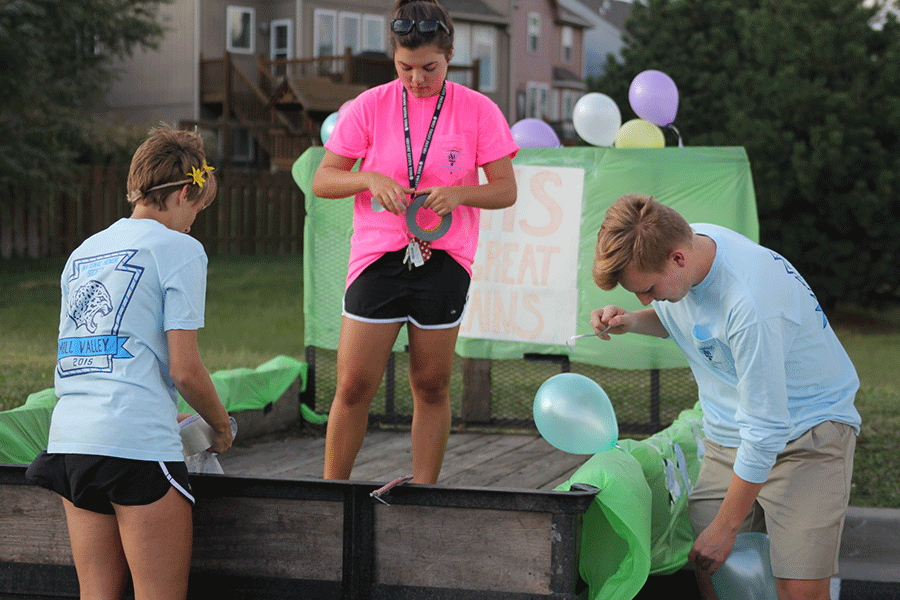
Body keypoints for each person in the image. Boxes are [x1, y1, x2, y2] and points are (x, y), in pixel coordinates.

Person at [589, 193, 861, 600]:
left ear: (678, 259)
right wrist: (632, 321)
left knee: (798, 589)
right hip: (728, 434)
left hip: (807, 432)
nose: (645, 299)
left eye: (646, 289)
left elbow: (767, 427)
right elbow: (686, 317)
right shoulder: (687, 247)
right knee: (716, 572)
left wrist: (726, 526)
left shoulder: (752, 304)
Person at [311, 0, 518, 485]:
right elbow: (323, 179)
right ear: (394, 58)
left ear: (448, 57)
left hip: (446, 258)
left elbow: (505, 190)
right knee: (353, 385)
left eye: (429, 67)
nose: (417, 78)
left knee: (431, 384)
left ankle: (425, 495)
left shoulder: (478, 110)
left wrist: (459, 193)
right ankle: (329, 494)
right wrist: (368, 180)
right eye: (405, 67)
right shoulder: (370, 105)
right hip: (377, 257)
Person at [26, 126, 233, 600]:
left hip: (71, 441)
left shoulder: (83, 252)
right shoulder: (181, 249)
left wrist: (162, 407)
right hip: (135, 448)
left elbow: (95, 356)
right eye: (197, 211)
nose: (193, 223)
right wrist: (219, 427)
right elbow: (185, 368)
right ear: (186, 192)